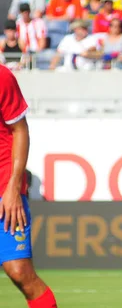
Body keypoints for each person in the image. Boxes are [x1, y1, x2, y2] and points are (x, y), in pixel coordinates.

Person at [0, 64, 59, 307]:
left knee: (20, 272)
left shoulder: (2, 76)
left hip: (4, 188)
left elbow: (20, 130)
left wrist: (14, 189)